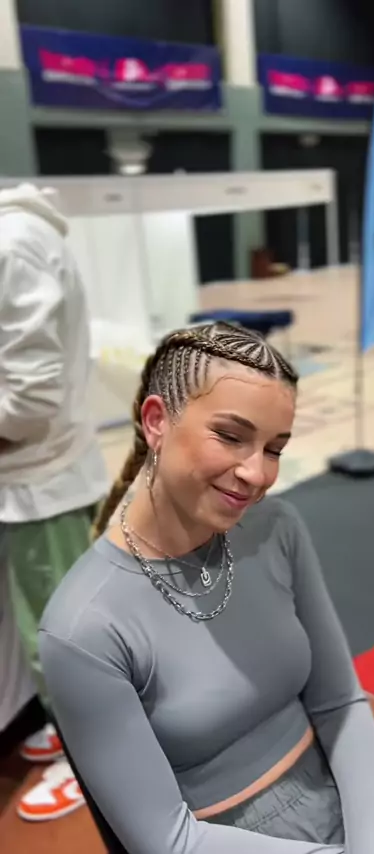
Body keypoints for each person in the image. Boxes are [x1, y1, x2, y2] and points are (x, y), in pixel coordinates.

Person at [38, 322, 374, 853]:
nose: (257, 473)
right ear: (156, 421)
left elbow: (339, 700)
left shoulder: (276, 528)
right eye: (230, 436)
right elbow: (169, 841)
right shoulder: (83, 627)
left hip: (361, 790)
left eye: (274, 448)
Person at [0, 183, 109, 820]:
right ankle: (76, 733)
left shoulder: (13, 242)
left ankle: (92, 758)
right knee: (57, 625)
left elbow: (30, 399)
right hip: (41, 476)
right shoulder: (21, 236)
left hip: (40, 482)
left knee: (59, 636)